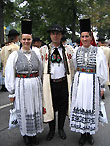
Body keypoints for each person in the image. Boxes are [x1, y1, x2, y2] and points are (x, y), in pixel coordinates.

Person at [5, 19, 43, 146]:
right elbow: (10, 73)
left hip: (35, 84)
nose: (26, 41)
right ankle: (26, 135)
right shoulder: (14, 55)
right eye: (24, 39)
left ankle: (34, 134)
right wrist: (11, 92)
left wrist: (38, 82)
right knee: (24, 109)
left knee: (35, 108)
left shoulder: (36, 53)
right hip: (21, 85)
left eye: (29, 39)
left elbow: (41, 69)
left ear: (32, 40)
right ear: (21, 40)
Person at [70, 19, 107, 146]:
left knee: (91, 106)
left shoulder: (98, 51)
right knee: (80, 105)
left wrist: (102, 85)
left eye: (87, 36)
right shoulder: (76, 51)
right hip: (80, 83)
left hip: (92, 81)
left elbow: (102, 69)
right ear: (80, 38)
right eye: (83, 36)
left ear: (91, 37)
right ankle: (82, 133)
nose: (85, 39)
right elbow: (75, 65)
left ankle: (90, 133)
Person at [40, 24, 74, 141]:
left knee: (63, 107)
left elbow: (73, 67)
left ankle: (61, 128)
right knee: (51, 106)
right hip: (50, 84)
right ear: (50, 35)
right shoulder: (43, 51)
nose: (55, 36)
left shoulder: (68, 49)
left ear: (61, 35)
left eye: (58, 33)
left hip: (64, 83)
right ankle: (51, 130)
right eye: (53, 33)